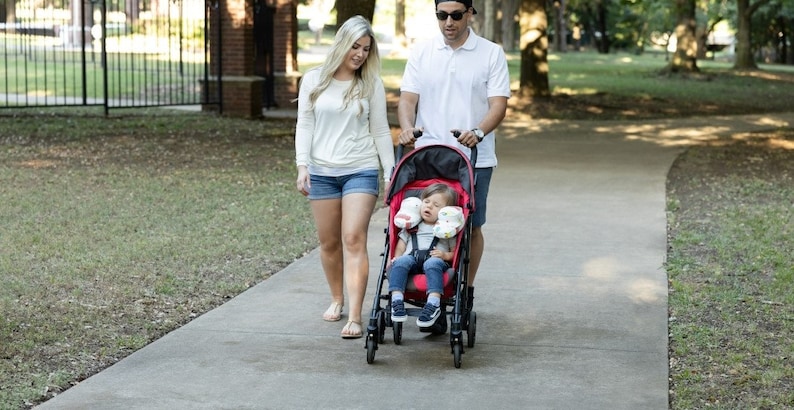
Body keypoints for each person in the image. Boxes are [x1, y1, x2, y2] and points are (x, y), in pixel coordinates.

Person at [396, 0, 510, 320]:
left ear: (470, 14)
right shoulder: (423, 51)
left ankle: (464, 290)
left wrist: (478, 131)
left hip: (475, 156)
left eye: (456, 15)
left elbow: (498, 105)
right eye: (442, 15)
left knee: (471, 226)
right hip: (429, 155)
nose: (449, 22)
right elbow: (408, 98)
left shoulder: (490, 53)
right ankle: (423, 285)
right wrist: (407, 129)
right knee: (424, 219)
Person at [294, 15, 395, 339]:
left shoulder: (370, 84)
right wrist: (302, 166)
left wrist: (390, 170)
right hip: (322, 172)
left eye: (366, 49)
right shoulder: (313, 80)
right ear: (341, 43)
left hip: (360, 169)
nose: (361, 54)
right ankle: (336, 298)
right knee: (329, 242)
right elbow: (305, 125)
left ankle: (354, 315)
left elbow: (380, 130)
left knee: (353, 238)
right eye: (355, 46)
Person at [388, 183, 458, 327]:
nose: (429, 206)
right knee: (401, 261)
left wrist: (445, 255)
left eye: (436, 205)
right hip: (411, 260)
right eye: (426, 202)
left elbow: (454, 253)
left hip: (435, 262)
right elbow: (400, 246)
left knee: (432, 263)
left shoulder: (447, 230)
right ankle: (396, 300)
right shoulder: (411, 225)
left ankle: (433, 304)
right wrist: (395, 258)